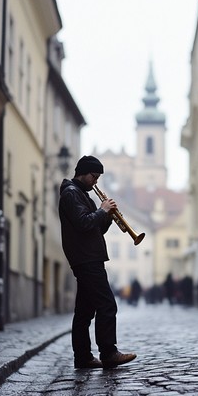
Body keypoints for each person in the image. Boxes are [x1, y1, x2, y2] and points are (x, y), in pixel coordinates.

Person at [58, 155, 137, 369]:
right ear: (82, 173)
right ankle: (109, 353)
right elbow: (84, 224)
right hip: (87, 258)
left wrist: (109, 217)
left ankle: (82, 357)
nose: (96, 182)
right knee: (106, 304)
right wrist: (102, 210)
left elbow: (96, 228)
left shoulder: (82, 195)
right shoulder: (71, 194)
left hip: (87, 256)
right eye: (94, 176)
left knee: (84, 311)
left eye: (98, 177)